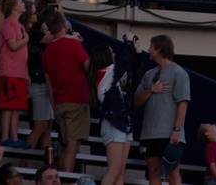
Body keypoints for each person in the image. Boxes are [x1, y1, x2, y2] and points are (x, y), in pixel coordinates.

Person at [134, 34, 190, 185]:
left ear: (159, 49)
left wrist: (176, 130)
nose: (148, 50)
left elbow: (183, 103)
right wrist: (151, 89)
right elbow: (137, 100)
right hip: (149, 133)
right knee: (153, 172)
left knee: (173, 172)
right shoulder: (149, 74)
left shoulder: (179, 73)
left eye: (151, 47)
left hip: (169, 133)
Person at [87, 39, 140, 185]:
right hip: (113, 124)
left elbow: (135, 77)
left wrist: (138, 54)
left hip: (124, 123)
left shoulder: (113, 73)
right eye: (111, 52)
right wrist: (128, 43)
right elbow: (123, 62)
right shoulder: (105, 73)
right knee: (114, 169)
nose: (114, 54)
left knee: (120, 171)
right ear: (104, 56)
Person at [40, 12, 88, 173]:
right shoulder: (73, 45)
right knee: (72, 146)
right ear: (64, 26)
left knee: (67, 145)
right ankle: (65, 179)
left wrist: (54, 105)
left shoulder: (47, 52)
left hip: (59, 102)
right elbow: (89, 68)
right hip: (76, 100)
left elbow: (48, 84)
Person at [0, 0, 28, 148]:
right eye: (21, 1)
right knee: (8, 105)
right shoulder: (8, 23)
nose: (24, 4)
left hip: (19, 72)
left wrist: (26, 72)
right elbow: (13, 45)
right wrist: (26, 39)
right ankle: (5, 136)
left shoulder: (20, 25)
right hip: (9, 71)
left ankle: (14, 137)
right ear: (14, 6)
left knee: (16, 107)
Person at [22, 1, 51, 157]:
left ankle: (48, 164)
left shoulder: (32, 33)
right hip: (37, 84)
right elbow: (53, 38)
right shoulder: (30, 33)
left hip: (43, 84)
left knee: (46, 127)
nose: (36, 15)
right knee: (40, 125)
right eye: (33, 13)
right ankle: (24, 161)